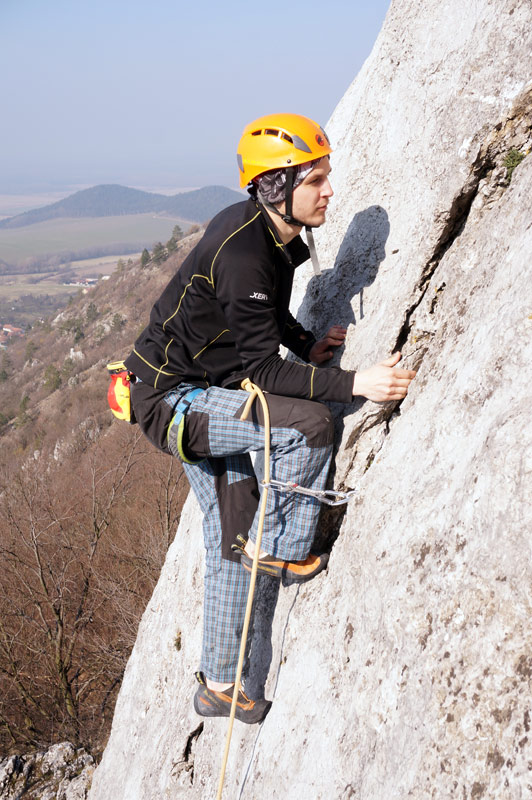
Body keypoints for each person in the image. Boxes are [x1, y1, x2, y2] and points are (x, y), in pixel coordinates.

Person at [125, 113, 416, 725]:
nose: (329, 190)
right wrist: (354, 383)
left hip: (198, 389)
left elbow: (260, 317)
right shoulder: (244, 251)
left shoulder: (272, 236)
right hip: (175, 401)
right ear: (278, 186)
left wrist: (305, 342)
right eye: (316, 180)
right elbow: (262, 369)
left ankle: (219, 684)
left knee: (233, 538)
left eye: (326, 176)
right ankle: (280, 546)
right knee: (309, 426)